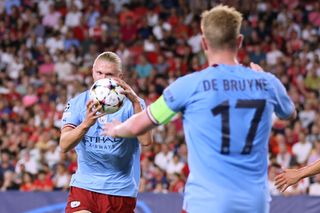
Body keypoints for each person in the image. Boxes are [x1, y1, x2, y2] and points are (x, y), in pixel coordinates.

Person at [102, 5, 296, 213]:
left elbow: (140, 124)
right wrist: (264, 78)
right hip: (254, 203)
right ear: (239, 41)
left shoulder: (188, 86)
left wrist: (115, 129)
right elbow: (289, 113)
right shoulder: (268, 83)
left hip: (206, 203)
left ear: (204, 43)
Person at [60, 51, 152, 213]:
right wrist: (85, 125)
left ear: (120, 77)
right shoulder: (77, 103)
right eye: (99, 73)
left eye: (109, 74)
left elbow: (146, 141)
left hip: (119, 190)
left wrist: (136, 104)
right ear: (92, 72)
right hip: (84, 186)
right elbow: (64, 144)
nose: (103, 78)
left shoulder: (134, 104)